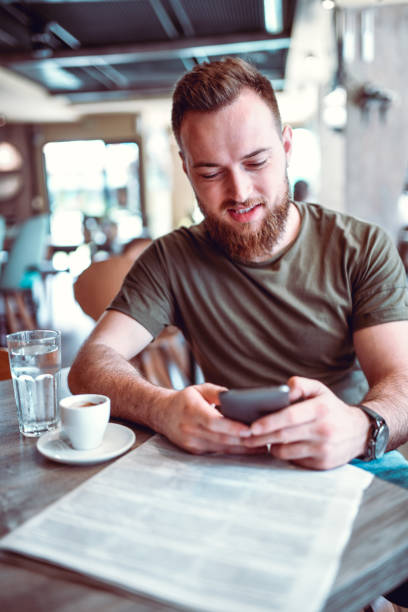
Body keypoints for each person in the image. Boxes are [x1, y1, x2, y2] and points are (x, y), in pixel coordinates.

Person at [69, 57, 408, 477]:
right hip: (231, 464)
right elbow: (90, 363)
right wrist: (161, 407)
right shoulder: (171, 259)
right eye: (211, 173)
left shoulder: (361, 247)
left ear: (286, 147)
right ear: (187, 169)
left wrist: (360, 427)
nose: (239, 192)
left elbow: (402, 381)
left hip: (351, 457)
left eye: (256, 162)